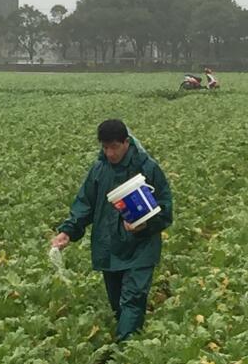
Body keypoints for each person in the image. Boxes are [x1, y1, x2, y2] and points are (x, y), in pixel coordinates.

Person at [51, 119, 173, 341]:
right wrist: (67, 231)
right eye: (105, 147)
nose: (109, 153)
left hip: (141, 247)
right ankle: (126, 340)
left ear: (126, 142)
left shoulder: (147, 168)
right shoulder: (99, 170)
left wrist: (145, 224)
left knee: (133, 299)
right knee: (117, 303)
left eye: (114, 147)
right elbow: (85, 203)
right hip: (109, 246)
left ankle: (125, 354)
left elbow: (165, 207)